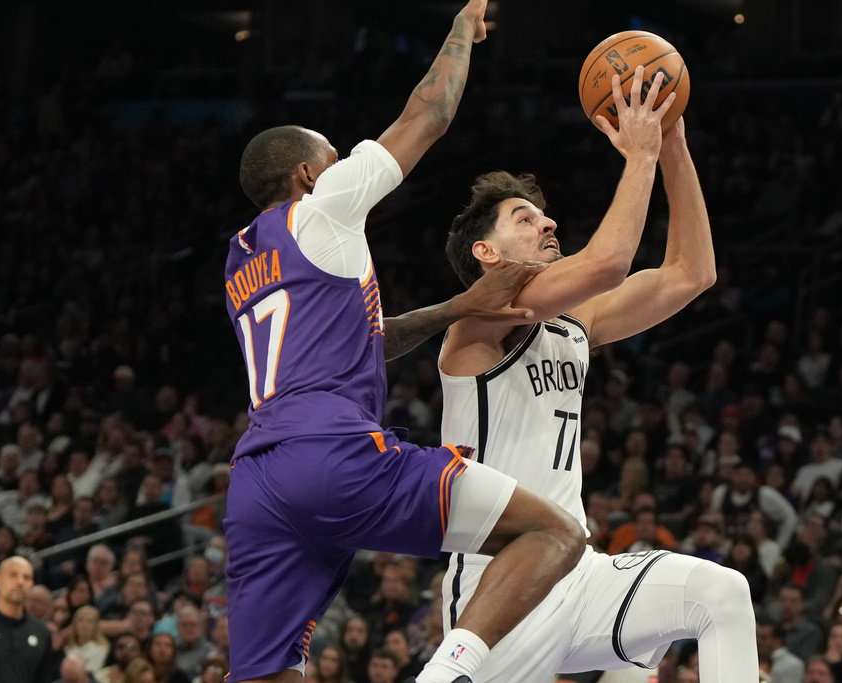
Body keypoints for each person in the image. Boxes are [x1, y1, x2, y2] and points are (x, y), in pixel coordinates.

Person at [222, 2, 586, 682]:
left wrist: (455, 307)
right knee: (556, 530)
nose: (342, 165)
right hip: (332, 452)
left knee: (269, 672)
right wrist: (459, 30)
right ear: (309, 175)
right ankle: (446, 674)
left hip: (257, 480)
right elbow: (428, 113)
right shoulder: (324, 202)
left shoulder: (242, 260)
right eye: (332, 157)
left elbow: (362, 344)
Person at [437, 68, 756, 682]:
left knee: (721, 594)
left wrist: (673, 144)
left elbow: (693, 273)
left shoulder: (575, 321)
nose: (548, 223)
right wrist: (638, 154)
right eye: (524, 219)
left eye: (543, 215)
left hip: (577, 569)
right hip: (500, 585)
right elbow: (609, 262)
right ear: (486, 253)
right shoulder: (477, 321)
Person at [0, 555, 57, 683]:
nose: (20, 582)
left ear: (31, 585)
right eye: (13, 575)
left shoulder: (42, 633)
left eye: (26, 577)